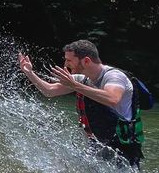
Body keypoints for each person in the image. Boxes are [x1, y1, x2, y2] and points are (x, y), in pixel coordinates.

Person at [19, 39, 143, 168]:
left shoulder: (114, 77)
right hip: (97, 145)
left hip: (123, 148)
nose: (65, 64)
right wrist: (29, 73)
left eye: (69, 60)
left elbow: (112, 99)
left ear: (86, 61)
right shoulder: (82, 79)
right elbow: (49, 91)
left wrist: (74, 85)